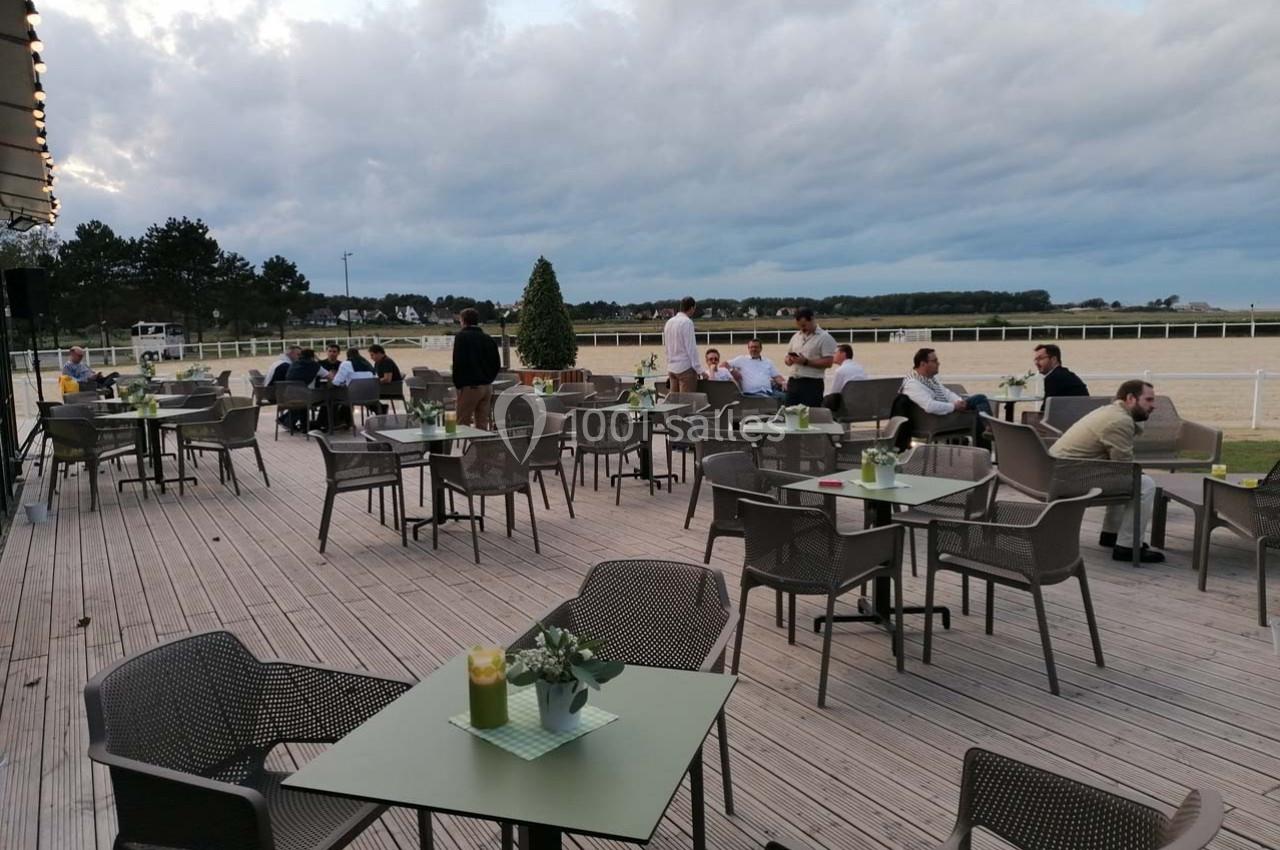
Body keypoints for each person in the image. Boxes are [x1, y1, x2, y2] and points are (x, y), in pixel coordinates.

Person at [1049, 379, 1162, 563]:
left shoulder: (1109, 411)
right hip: (1068, 478)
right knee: (1145, 485)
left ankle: (1111, 534)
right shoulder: (1119, 421)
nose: (1153, 406)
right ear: (1131, 398)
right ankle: (1127, 547)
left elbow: (1118, 467)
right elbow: (1124, 466)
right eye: (1148, 400)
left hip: (1057, 472)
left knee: (1123, 476)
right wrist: (1139, 474)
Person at [900, 348, 991, 419]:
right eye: (934, 361)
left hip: (946, 413)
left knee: (978, 406)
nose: (938, 363)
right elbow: (929, 406)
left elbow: (946, 393)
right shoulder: (912, 384)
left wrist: (959, 401)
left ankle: (987, 431)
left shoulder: (930, 378)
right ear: (923, 364)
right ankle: (990, 429)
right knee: (980, 399)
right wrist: (954, 406)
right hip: (935, 420)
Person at [452, 307, 501, 429]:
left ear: (463, 321)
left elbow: (458, 361)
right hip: (487, 386)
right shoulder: (488, 338)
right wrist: (489, 379)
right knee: (482, 424)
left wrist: (458, 384)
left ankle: (464, 447)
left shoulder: (461, 337)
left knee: (462, 423)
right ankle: (481, 447)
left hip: (470, 386)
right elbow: (496, 363)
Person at [783, 307, 837, 406]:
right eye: (799, 326)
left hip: (812, 384)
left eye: (804, 325)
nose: (802, 328)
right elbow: (787, 356)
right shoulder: (796, 337)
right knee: (790, 415)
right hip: (793, 382)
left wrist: (806, 362)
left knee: (811, 417)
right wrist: (789, 360)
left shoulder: (825, 338)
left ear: (812, 319)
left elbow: (829, 362)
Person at [1034, 343, 1089, 408]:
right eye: (1036, 359)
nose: (1036, 363)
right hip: (1082, 414)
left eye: (1040, 358)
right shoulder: (1067, 374)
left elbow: (1046, 408)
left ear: (1054, 359)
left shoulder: (1053, 377)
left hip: (1070, 416)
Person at [663, 296, 700, 393]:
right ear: (692, 308)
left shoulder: (669, 322)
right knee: (686, 403)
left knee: (674, 404)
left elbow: (667, 347)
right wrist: (699, 369)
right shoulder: (687, 322)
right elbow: (691, 348)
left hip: (672, 368)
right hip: (685, 368)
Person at [369, 344, 402, 415]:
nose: (371, 357)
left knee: (363, 394)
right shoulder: (378, 362)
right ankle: (380, 408)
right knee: (364, 392)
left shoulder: (386, 362)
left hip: (391, 389)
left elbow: (387, 379)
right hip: (384, 387)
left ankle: (380, 409)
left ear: (379, 353)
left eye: (372, 355)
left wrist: (372, 383)